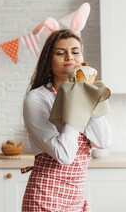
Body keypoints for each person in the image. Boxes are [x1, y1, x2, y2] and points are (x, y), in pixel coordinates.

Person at [21, 29, 113, 212]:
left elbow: (103, 141)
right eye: (60, 53)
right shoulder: (37, 99)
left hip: (75, 201)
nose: (69, 57)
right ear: (49, 61)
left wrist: (85, 93)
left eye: (75, 51)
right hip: (44, 199)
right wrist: (76, 103)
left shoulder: (88, 93)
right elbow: (64, 155)